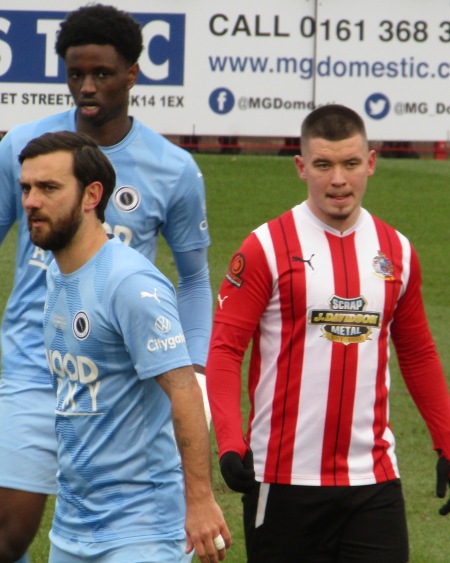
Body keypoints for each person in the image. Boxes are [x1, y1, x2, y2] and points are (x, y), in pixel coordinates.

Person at [0, 5, 212, 561]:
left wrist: (194, 371)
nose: (87, 87)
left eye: (101, 74)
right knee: (11, 531)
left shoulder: (174, 168)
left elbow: (193, 281)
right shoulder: (23, 149)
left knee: (117, 506)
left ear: (132, 74)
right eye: (75, 74)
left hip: (118, 371)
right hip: (31, 363)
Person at [206, 104, 450, 562]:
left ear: (371, 163)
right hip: (282, 480)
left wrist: (448, 439)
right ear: (301, 167)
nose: (338, 180)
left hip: (373, 482)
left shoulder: (396, 251)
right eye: (323, 165)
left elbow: (417, 352)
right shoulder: (264, 248)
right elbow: (224, 350)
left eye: (351, 164)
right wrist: (230, 443)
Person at [18, 130, 230, 562]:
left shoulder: (129, 283)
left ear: (92, 195)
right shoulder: (57, 275)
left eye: (48, 188)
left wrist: (201, 501)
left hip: (143, 531)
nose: (31, 202)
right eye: (26, 188)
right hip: (73, 529)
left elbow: (184, 389)